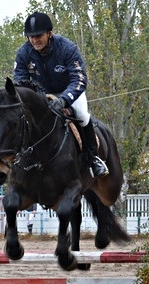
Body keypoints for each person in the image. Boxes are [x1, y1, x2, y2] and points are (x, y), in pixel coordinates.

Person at [13, 11, 109, 178]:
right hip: (42, 96)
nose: (34, 40)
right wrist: (38, 99)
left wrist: (64, 100)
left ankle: (94, 159)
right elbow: (20, 82)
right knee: (22, 119)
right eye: (31, 36)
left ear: (49, 33)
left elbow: (79, 79)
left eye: (38, 35)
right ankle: (14, 159)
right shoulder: (23, 53)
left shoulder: (67, 48)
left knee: (83, 116)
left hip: (70, 92)